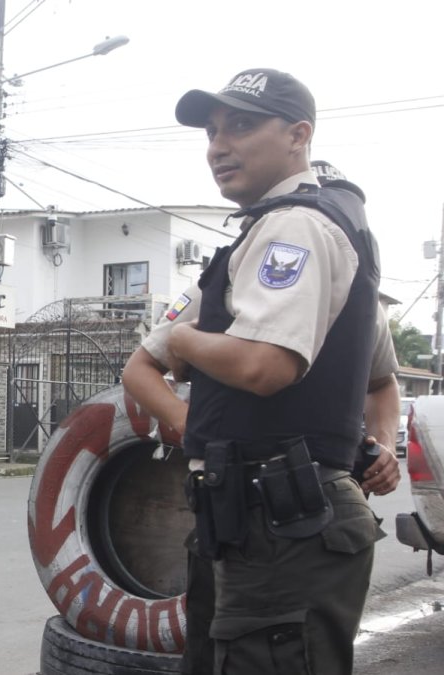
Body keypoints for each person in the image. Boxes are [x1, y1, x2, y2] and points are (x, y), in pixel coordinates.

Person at [121, 69, 401, 674]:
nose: (219, 146)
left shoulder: (298, 228)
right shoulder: (260, 242)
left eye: (242, 126)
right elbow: (141, 368)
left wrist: (188, 340)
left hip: (286, 522)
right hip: (244, 518)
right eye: (213, 131)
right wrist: (192, 425)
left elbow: (264, 366)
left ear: (299, 135)